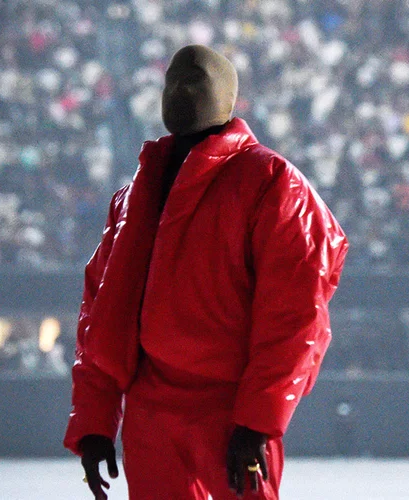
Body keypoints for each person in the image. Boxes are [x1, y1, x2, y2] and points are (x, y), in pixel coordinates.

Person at [64, 45, 348, 500]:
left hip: (229, 408)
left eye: (194, 81)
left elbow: (297, 317)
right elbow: (101, 311)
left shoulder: (274, 183)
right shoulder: (135, 195)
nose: (179, 90)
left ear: (228, 97)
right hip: (150, 409)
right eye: (172, 79)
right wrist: (95, 421)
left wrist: (256, 421)